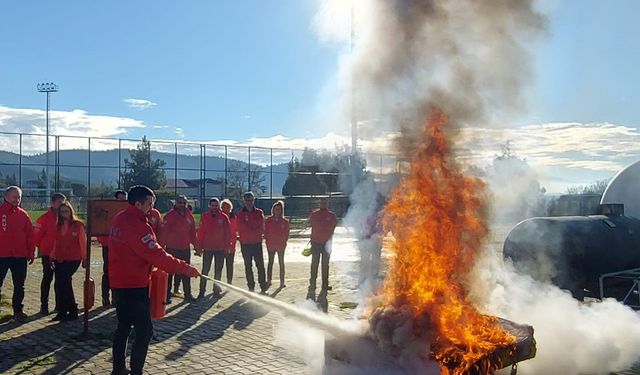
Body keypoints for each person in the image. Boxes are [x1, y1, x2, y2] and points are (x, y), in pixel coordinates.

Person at [109, 185, 200, 375]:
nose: (151, 208)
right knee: (144, 331)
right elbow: (157, 255)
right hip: (134, 285)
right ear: (138, 203)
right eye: (149, 204)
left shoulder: (119, 218)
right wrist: (186, 268)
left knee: (123, 327)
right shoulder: (137, 226)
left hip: (119, 282)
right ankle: (136, 371)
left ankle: (118, 368)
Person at [0, 186, 35, 323]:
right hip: (2, 255)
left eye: (19, 197)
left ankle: (18, 311)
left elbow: (30, 236)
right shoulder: (1, 212)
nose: (17, 199)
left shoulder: (23, 214)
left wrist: (30, 252)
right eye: (14, 197)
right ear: (6, 197)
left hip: (19, 255)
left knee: (19, 285)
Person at [50, 201, 86, 321]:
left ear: (71, 211)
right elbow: (56, 242)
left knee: (64, 281)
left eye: (66, 211)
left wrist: (85, 258)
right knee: (61, 284)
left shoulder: (78, 225)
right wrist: (52, 255)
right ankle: (64, 310)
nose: (64, 214)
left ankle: (71, 309)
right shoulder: (58, 226)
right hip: (60, 257)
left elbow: (82, 243)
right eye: (62, 212)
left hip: (73, 258)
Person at [158, 195, 197, 303]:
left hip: (185, 249)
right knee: (170, 273)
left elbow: (193, 233)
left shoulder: (189, 216)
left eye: (184, 203)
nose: (182, 205)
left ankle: (188, 294)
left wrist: (196, 247)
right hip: (172, 249)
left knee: (186, 272)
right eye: (180, 203)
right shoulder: (169, 216)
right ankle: (167, 295)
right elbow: (163, 234)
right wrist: (161, 248)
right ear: (175, 203)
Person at [33, 192, 66, 315]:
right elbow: (36, 236)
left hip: (63, 254)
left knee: (61, 280)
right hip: (47, 253)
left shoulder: (66, 218)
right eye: (59, 203)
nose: (62, 205)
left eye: (64, 203)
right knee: (47, 278)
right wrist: (39, 249)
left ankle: (59, 305)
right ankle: (44, 305)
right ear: (52, 203)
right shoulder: (44, 218)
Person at [96, 190, 127, 307]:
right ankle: (105, 297)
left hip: (123, 247)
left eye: (124, 199)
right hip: (108, 246)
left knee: (120, 272)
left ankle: (116, 298)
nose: (122, 202)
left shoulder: (127, 213)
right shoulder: (107, 212)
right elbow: (99, 227)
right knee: (108, 271)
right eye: (120, 199)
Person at [196, 197, 230, 298]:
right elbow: (201, 233)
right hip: (208, 248)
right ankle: (201, 291)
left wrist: (227, 246)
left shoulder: (224, 217)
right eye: (212, 205)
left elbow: (227, 234)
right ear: (209, 206)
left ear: (219, 206)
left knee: (218, 271)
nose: (214, 207)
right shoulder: (205, 216)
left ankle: (216, 291)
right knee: (205, 270)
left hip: (220, 248)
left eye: (216, 205)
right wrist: (199, 247)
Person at [307, 197, 337, 301]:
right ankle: (312, 284)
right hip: (315, 243)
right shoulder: (314, 214)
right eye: (321, 202)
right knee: (314, 264)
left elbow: (332, 228)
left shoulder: (331, 216)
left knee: (325, 265)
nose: (323, 203)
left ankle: (325, 285)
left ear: (327, 203)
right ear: (319, 203)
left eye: (325, 202)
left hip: (326, 244)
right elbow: (311, 224)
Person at [236, 191, 267, 293]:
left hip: (257, 243)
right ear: (244, 201)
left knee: (260, 266)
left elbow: (261, 226)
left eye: (251, 200)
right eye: (247, 200)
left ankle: (263, 287)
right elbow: (240, 228)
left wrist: (251, 228)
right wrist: (251, 228)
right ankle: (251, 287)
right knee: (248, 266)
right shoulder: (240, 214)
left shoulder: (259, 212)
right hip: (245, 244)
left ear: (253, 200)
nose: (249, 202)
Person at [264, 200, 290, 289]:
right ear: (273, 210)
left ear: (281, 210)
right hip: (271, 245)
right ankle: (269, 280)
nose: (277, 211)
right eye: (275, 209)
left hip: (281, 245)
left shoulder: (285, 222)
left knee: (281, 263)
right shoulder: (268, 220)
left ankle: (282, 282)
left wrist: (284, 242)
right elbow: (265, 232)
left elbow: (287, 233)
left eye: (279, 209)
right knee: (270, 262)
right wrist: (267, 241)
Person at [221, 199, 237, 284]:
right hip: (220, 245)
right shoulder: (219, 217)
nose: (226, 208)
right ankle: (218, 284)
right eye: (224, 207)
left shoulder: (234, 218)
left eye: (228, 207)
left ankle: (229, 282)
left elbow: (236, 230)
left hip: (231, 245)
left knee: (230, 264)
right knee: (219, 265)